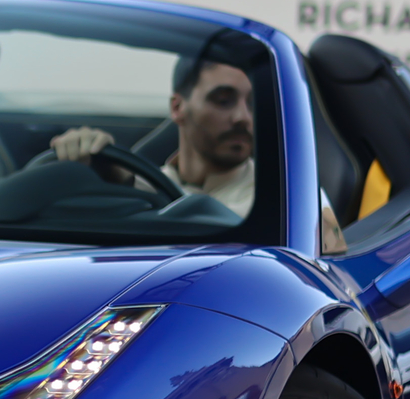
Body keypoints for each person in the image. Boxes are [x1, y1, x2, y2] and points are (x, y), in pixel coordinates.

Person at [47, 49, 346, 253]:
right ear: (178, 107)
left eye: (252, 103)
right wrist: (86, 159)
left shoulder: (293, 200)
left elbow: (326, 281)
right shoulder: (134, 190)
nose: (243, 117)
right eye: (223, 100)